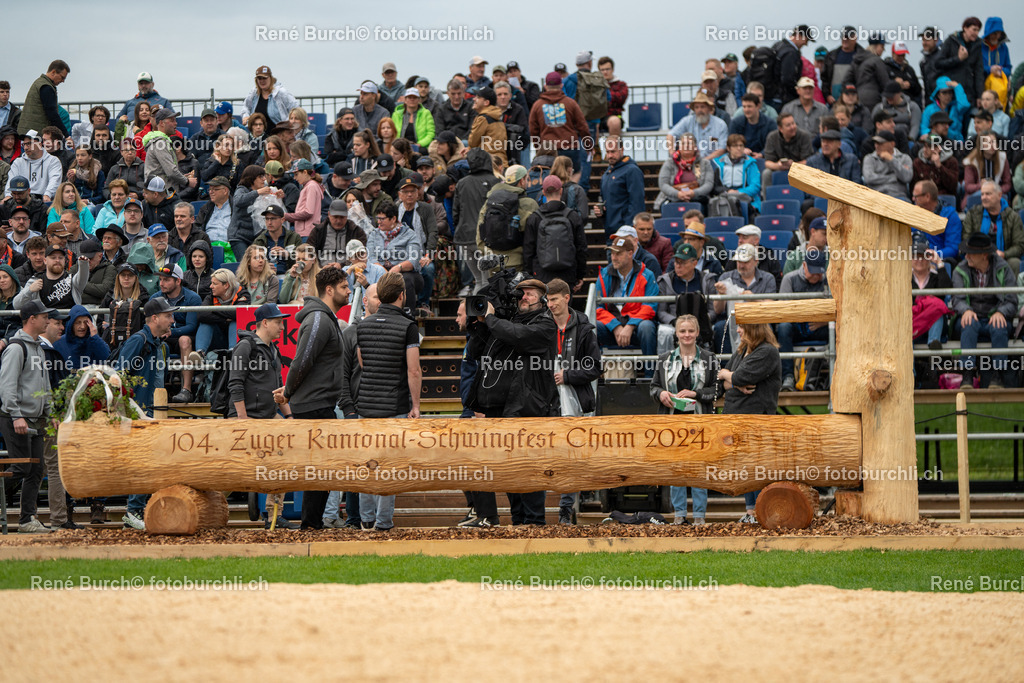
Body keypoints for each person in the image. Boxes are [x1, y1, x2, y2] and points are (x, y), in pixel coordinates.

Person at [462, 278, 558, 528]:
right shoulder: (505, 323)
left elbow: (519, 336)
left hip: (530, 409)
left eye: (530, 294)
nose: (523, 297)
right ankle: (517, 520)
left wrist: (493, 320)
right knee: (509, 468)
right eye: (520, 293)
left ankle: (535, 523)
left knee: (528, 467)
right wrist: (482, 324)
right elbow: (474, 352)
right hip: (501, 408)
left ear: (543, 299)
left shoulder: (546, 324)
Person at [277, 267, 348, 529]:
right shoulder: (319, 319)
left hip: (319, 403)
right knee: (321, 470)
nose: (349, 290)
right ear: (329, 290)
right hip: (314, 406)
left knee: (322, 470)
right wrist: (287, 392)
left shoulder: (324, 318)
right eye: (344, 286)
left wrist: (288, 391)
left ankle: (312, 524)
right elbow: (302, 361)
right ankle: (310, 526)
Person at [353, 271, 420, 531]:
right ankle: (383, 523)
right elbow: (413, 370)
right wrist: (415, 405)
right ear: (402, 295)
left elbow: (362, 362)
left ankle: (366, 520)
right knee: (388, 468)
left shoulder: (363, 324)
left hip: (366, 404)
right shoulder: (408, 325)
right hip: (394, 406)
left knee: (368, 465)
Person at [226, 302, 297, 530]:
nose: (282, 327)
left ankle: (273, 514)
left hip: (267, 415)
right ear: (264, 323)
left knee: (284, 458)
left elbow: (278, 389)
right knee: (230, 470)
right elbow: (234, 383)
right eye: (278, 323)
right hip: (244, 418)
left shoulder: (273, 349)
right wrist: (243, 419)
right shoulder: (244, 347)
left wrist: (289, 417)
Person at [651, 314, 719, 525]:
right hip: (672, 423)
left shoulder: (709, 358)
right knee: (676, 471)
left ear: (698, 333)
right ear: (676, 333)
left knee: (699, 470)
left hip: (699, 422)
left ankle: (699, 516)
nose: (687, 335)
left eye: (691, 331)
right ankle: (679, 515)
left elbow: (716, 391)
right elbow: (653, 387)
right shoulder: (664, 359)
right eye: (683, 331)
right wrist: (661, 394)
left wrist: (695, 394)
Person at [114, 297, 175, 529]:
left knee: (150, 462)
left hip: (154, 411)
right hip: (138, 412)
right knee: (142, 462)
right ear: (154, 318)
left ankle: (137, 510)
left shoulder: (161, 345)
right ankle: (133, 511)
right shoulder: (138, 341)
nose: (172, 319)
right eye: (168, 315)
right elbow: (119, 377)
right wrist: (133, 410)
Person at [545, 278, 601, 523]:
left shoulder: (584, 329)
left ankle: (566, 508)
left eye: (554, 299)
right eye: (547, 300)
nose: (550, 305)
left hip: (575, 403)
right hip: (547, 403)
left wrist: (567, 375)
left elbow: (596, 367)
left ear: (567, 298)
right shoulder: (542, 326)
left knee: (570, 457)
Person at [717, 322, 781, 521]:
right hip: (736, 416)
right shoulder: (742, 350)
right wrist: (734, 380)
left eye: (742, 327)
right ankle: (750, 512)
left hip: (757, 418)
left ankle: (762, 511)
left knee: (758, 466)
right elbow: (721, 381)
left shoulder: (767, 352)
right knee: (745, 465)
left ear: (755, 327)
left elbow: (738, 375)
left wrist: (731, 377)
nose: (737, 330)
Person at [951, 233, 1017, 389]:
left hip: (994, 315)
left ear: (984, 255)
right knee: (968, 323)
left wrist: (1001, 312)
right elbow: (957, 300)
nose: (966, 256)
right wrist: (965, 310)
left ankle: (997, 376)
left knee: (999, 325)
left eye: (971, 253)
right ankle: (967, 375)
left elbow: (1011, 300)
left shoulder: (1003, 268)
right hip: (971, 317)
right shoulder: (960, 270)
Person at [596, 235, 658, 363]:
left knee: (647, 327)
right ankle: (594, 375)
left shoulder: (647, 274)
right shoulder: (603, 275)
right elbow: (597, 308)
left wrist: (630, 326)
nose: (613, 257)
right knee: (592, 327)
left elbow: (650, 306)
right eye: (612, 253)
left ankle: (650, 377)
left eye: (618, 253)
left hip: (636, 328)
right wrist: (615, 326)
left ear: (630, 253)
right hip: (612, 328)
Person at [777, 250, 830, 391]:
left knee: (838, 328)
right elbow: (783, 309)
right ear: (804, 265)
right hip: (797, 326)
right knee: (783, 327)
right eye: (812, 271)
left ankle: (834, 373)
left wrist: (824, 321)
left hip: (820, 325)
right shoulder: (790, 279)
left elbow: (838, 308)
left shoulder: (828, 280)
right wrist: (803, 316)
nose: (816, 276)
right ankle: (787, 376)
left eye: (819, 272)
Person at [522, 175, 587, 289]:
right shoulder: (572, 216)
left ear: (543, 192)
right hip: (567, 274)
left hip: (542, 274)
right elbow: (581, 248)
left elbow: (528, 250)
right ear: (561, 191)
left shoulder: (535, 218)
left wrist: (530, 274)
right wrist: (580, 274)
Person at [712, 243, 777, 354]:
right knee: (720, 327)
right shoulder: (726, 277)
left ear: (756, 261)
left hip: (758, 320)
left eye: (745, 262)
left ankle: (761, 361)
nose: (741, 265)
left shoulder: (768, 278)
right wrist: (721, 295)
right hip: (732, 319)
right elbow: (718, 310)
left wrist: (753, 299)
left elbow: (770, 308)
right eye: (739, 262)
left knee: (768, 327)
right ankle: (725, 365)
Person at [529, 71, 590, 175]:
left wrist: (538, 148)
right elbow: (582, 126)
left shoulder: (537, 105)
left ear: (545, 86)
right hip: (569, 148)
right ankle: (571, 190)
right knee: (574, 175)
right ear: (561, 85)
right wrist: (588, 145)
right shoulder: (571, 103)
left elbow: (533, 130)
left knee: (549, 178)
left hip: (547, 150)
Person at [961, 180, 1024, 274]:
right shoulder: (973, 214)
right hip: (977, 255)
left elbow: (1019, 245)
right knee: (963, 265)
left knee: (1015, 263)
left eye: (988, 194)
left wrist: (1004, 254)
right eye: (982, 194)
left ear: (999, 195)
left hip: (1003, 257)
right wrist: (978, 253)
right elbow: (966, 238)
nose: (984, 198)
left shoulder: (1013, 216)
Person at [143, 109, 198, 196]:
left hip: (162, 193)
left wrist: (183, 177)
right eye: (172, 120)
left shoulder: (162, 142)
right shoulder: (160, 143)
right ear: (161, 123)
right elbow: (171, 171)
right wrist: (187, 181)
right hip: (161, 195)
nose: (176, 123)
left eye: (175, 120)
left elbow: (165, 171)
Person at [654, 133, 714, 212]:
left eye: (689, 143)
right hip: (673, 198)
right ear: (679, 146)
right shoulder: (670, 162)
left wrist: (693, 193)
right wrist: (678, 194)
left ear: (695, 147)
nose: (686, 146)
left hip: (698, 199)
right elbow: (663, 184)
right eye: (683, 143)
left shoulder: (705, 163)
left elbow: (708, 184)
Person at [935, 17, 985, 105]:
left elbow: (979, 72)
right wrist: (958, 59)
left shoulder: (978, 45)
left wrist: (980, 96)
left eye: (978, 30)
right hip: (951, 92)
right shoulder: (951, 40)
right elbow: (938, 63)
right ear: (965, 28)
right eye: (974, 29)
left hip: (969, 92)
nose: (976, 33)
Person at [666, 88, 727, 159]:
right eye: (697, 107)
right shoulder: (687, 121)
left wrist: (704, 161)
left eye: (702, 107)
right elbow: (670, 135)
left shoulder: (720, 124)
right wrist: (673, 154)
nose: (699, 110)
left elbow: (722, 149)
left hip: (713, 162)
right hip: (689, 163)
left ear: (709, 108)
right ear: (694, 110)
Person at [16, 60, 70, 138]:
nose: (63, 81)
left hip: (27, 131)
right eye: (62, 77)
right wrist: (66, 135)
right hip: (35, 134)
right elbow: (52, 114)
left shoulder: (39, 83)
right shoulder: (46, 87)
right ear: (53, 72)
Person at [713, 134, 762, 218]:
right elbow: (716, 187)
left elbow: (755, 186)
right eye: (735, 146)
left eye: (741, 145)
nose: (739, 148)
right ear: (728, 148)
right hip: (725, 194)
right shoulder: (719, 164)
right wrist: (728, 192)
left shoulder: (750, 164)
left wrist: (738, 192)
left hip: (745, 196)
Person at [762, 112, 814, 191]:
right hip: (779, 168)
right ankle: (767, 201)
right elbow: (767, 162)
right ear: (780, 128)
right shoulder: (772, 137)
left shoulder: (804, 136)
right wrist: (778, 166)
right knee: (766, 173)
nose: (792, 127)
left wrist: (793, 165)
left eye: (793, 123)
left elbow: (808, 162)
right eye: (788, 125)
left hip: (798, 168)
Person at [4, 131, 61, 202]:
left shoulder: (53, 161)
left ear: (40, 144)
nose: (25, 148)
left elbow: (55, 180)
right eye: (24, 144)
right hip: (22, 200)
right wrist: (8, 195)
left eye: (29, 144)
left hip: (43, 200)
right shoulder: (18, 162)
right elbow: (11, 181)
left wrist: (48, 194)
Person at [843, 34, 892, 110]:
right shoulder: (877, 61)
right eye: (882, 46)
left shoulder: (856, 60)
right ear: (876, 46)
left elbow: (846, 81)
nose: (884, 50)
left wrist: (852, 94)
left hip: (857, 100)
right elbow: (885, 83)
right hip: (874, 100)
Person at [252, 204, 302, 275]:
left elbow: (302, 263)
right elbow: (251, 263)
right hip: (266, 277)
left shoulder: (294, 237)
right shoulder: (259, 240)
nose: (269, 222)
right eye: (267, 219)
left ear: (282, 220)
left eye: (273, 219)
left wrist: (288, 255)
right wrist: (264, 267)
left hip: (290, 276)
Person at [962, 134, 1011, 207]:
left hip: (997, 193)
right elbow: (968, 187)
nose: (992, 145)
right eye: (988, 142)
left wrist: (994, 189)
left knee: (1001, 197)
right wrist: (981, 186)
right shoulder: (971, 161)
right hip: (978, 193)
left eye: (994, 142)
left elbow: (1007, 184)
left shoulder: (1002, 158)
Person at [862, 131, 913, 199]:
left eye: (880, 143)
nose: (876, 146)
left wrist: (892, 160)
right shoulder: (869, 158)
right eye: (875, 143)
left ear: (892, 144)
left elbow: (907, 177)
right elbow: (869, 178)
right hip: (875, 195)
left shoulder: (904, 158)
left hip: (898, 196)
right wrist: (894, 178)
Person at [282, 159, 324, 238]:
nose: (294, 178)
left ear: (305, 172)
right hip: (304, 233)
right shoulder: (308, 186)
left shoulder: (311, 186)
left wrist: (288, 216)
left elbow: (308, 212)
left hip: (308, 233)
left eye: (296, 174)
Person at [468, 87, 507, 167]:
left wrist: (469, 147)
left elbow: (472, 143)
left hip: (488, 164)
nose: (474, 99)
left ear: (486, 102)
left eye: (478, 97)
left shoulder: (483, 118)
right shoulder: (497, 117)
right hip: (501, 163)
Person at [729, 92, 776, 157]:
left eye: (749, 106)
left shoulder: (770, 124)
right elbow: (731, 143)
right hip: (741, 157)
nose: (746, 110)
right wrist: (742, 150)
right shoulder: (736, 123)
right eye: (744, 107)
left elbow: (773, 145)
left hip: (764, 159)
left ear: (758, 106)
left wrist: (761, 154)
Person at [392, 88, 435, 152]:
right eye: (409, 97)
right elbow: (393, 133)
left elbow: (431, 133)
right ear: (405, 100)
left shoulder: (426, 113)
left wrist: (419, 144)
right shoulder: (396, 114)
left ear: (419, 100)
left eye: (414, 97)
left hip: (420, 147)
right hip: (400, 146)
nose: (412, 99)